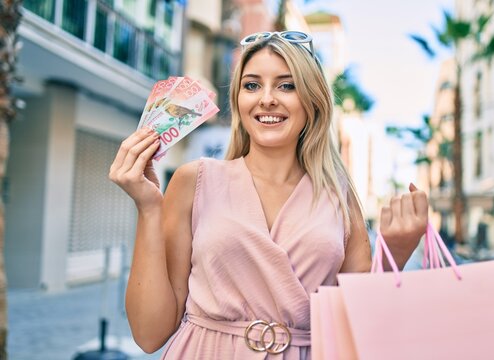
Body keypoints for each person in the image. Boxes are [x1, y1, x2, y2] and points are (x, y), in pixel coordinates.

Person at [109, 31, 428, 359]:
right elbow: (150, 334)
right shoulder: (195, 180)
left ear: (312, 99)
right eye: (251, 85)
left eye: (286, 85)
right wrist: (148, 208)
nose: (267, 98)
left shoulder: (339, 197)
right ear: (238, 100)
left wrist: (396, 252)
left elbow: (359, 326)